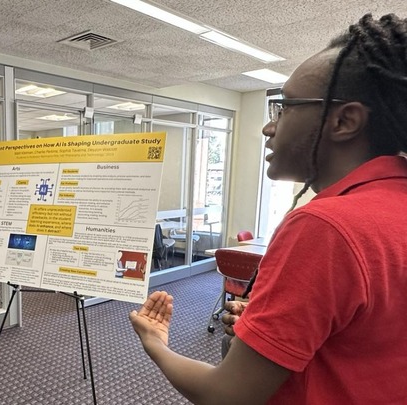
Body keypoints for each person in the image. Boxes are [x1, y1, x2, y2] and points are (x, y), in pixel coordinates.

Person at [130, 13, 407, 404]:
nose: (268, 128)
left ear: (344, 121)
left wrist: (155, 342)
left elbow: (227, 396)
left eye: (285, 108)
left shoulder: (326, 227)